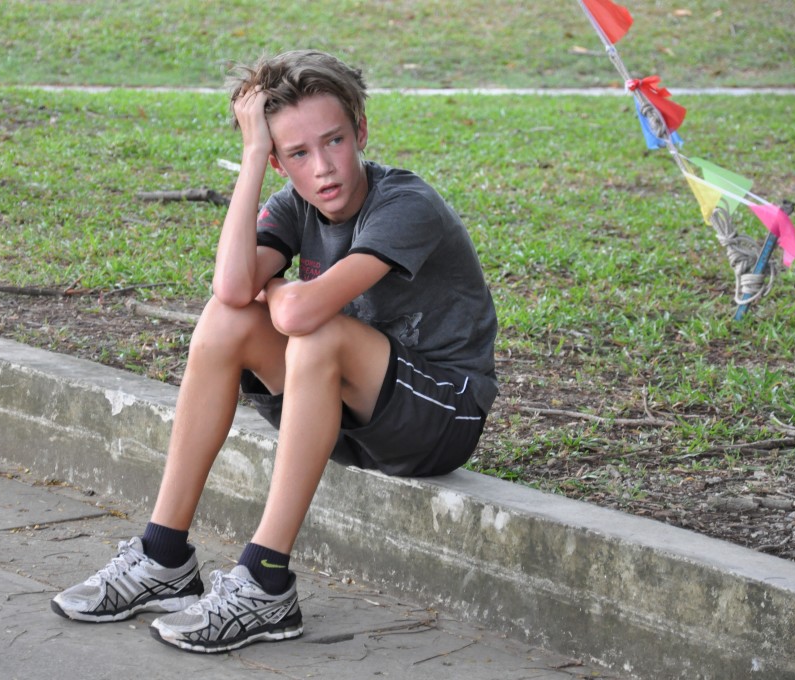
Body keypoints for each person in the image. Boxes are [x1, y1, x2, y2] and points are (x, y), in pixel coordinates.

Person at [51, 49, 498, 653]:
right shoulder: (292, 203)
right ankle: (164, 556)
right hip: (347, 413)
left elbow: (299, 313)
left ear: (361, 130)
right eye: (297, 154)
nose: (324, 169)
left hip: (439, 417)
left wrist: (279, 286)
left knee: (319, 333)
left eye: (335, 141)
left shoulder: (405, 203)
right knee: (223, 321)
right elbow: (234, 290)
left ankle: (265, 583)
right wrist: (253, 157)